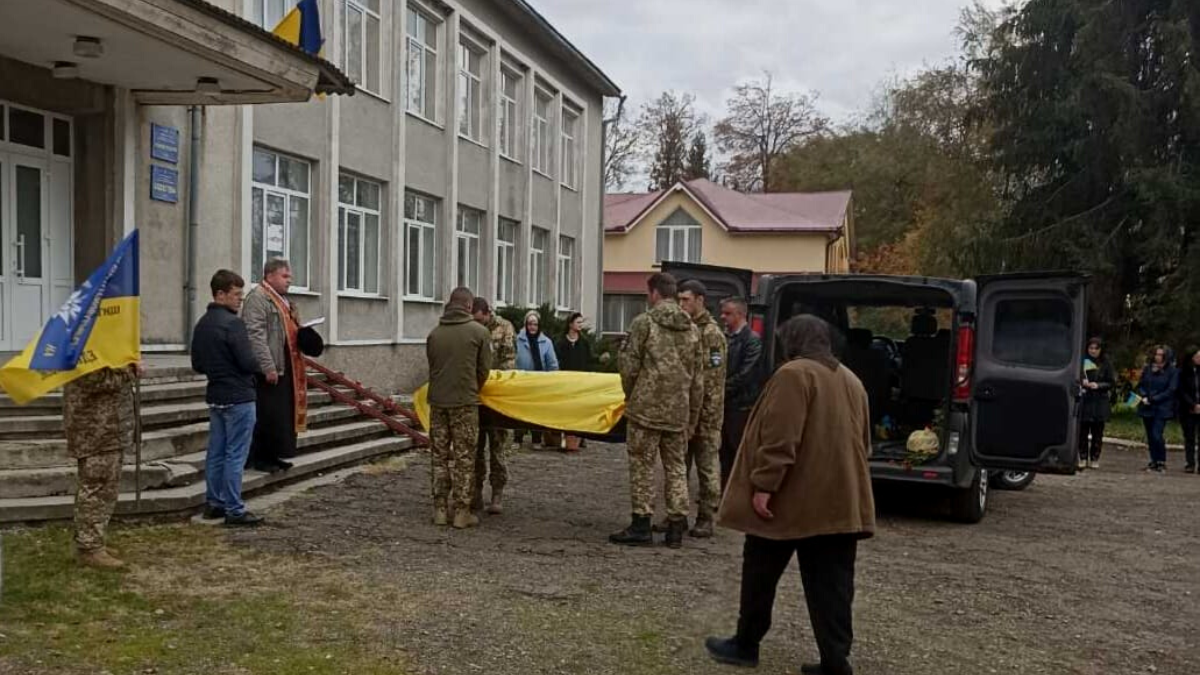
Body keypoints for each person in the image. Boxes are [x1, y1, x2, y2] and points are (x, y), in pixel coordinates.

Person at [705, 315, 875, 675]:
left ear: (793, 341)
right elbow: (865, 443)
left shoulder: (794, 374)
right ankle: (835, 661)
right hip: (840, 503)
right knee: (833, 587)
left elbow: (781, 437)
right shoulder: (851, 379)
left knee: (760, 574)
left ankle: (745, 644)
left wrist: (765, 485)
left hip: (790, 502)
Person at [610, 273, 705, 549]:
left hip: (646, 409)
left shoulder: (645, 323)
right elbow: (699, 379)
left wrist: (631, 395)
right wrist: (693, 416)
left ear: (653, 293)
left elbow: (628, 366)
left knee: (642, 464)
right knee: (676, 467)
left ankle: (641, 523)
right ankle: (676, 526)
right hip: (678, 410)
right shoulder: (692, 329)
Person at [191, 270, 264, 527]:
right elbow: (247, 361)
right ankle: (234, 508)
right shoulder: (233, 324)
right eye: (235, 295)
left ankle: (214, 503)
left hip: (216, 396)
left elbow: (197, 364)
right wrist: (260, 367)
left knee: (216, 453)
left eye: (241, 295)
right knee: (235, 454)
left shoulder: (202, 324)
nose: (239, 300)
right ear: (220, 294)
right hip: (240, 397)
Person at [64, 363, 144, 568]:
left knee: (105, 488)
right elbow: (93, 378)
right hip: (96, 431)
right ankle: (89, 548)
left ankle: (92, 540)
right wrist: (129, 371)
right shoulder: (85, 344)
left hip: (110, 429)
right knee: (96, 487)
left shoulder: (103, 343)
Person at [427, 287, 493, 529]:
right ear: (468, 306)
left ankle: (440, 509)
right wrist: (472, 388)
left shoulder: (434, 334)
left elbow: (433, 367)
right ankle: (462, 511)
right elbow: (484, 370)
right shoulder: (479, 332)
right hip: (465, 403)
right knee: (465, 458)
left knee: (439, 457)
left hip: (437, 403)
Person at [242, 259, 307, 474]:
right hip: (271, 368)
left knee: (282, 415)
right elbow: (256, 335)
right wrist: (267, 365)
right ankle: (262, 458)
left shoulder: (285, 301)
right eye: (285, 276)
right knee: (269, 415)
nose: (290, 280)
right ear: (270, 276)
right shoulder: (258, 298)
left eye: (289, 276)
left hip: (288, 364)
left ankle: (277, 454)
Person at [676, 280, 726, 538]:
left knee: (707, 469)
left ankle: (706, 517)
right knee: (679, 467)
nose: (681, 304)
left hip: (706, 414)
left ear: (700, 300)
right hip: (684, 412)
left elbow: (712, 380)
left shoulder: (711, 334)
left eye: (686, 300)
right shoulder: (685, 329)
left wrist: (701, 416)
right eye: (679, 299)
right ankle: (678, 515)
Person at [471, 298, 516, 514]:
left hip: (497, 397)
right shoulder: (470, 329)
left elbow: (508, 361)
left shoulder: (504, 327)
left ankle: (497, 492)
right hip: (476, 397)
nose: (477, 323)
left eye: (480, 319)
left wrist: (496, 384)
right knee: (474, 449)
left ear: (487, 313)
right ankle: (476, 491)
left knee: (497, 448)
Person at [720, 297, 764, 488]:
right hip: (726, 405)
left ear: (740, 314)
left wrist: (721, 390)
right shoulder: (725, 338)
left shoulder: (751, 341)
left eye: (727, 313)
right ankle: (725, 493)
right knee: (725, 454)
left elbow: (746, 374)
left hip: (741, 406)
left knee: (740, 452)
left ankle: (741, 492)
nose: (723, 317)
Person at [515, 310, 559, 449]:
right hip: (521, 381)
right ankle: (518, 438)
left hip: (539, 381)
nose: (532, 327)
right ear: (525, 325)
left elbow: (552, 363)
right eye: (529, 324)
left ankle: (536, 439)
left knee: (537, 412)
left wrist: (553, 378)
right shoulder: (518, 340)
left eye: (535, 324)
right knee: (520, 412)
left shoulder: (546, 342)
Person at [555, 312, 593, 452]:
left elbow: (588, 361)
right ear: (570, 324)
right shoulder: (561, 343)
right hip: (565, 383)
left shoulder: (584, 343)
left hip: (581, 383)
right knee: (565, 411)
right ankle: (564, 437)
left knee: (580, 411)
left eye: (582, 322)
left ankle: (580, 437)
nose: (580, 325)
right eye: (578, 322)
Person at [1136, 345, 1178, 473]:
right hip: (1147, 406)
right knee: (1150, 435)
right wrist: (1144, 396)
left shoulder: (1172, 371)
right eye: (1156, 354)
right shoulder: (1148, 369)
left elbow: (1171, 389)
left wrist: (1154, 398)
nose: (1157, 357)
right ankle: (1153, 460)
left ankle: (1161, 460)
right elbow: (1141, 384)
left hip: (1162, 407)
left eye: (1160, 355)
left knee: (1157, 434)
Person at [1078, 337, 1115, 470]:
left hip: (1100, 401)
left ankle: (1094, 458)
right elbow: (1076, 376)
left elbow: (1111, 382)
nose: (1093, 351)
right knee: (1082, 431)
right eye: (1091, 348)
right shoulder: (1081, 361)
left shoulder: (1106, 363)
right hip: (1085, 400)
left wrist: (1098, 385)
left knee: (1097, 433)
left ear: (1100, 349)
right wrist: (1083, 382)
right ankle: (1082, 457)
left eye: (1096, 348)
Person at [1179, 347, 1200, 473]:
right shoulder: (1183, 372)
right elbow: (1181, 391)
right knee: (1189, 437)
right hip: (1187, 409)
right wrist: (1192, 405)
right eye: (1198, 356)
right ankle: (1190, 463)